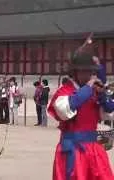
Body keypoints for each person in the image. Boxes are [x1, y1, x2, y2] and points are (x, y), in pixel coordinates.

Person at [47, 49, 114, 180]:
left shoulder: (95, 91)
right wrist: (88, 88)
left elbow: (109, 109)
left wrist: (102, 95)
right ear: (75, 72)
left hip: (94, 150)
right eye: (84, 71)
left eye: (90, 71)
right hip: (72, 150)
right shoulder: (65, 91)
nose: (88, 75)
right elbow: (65, 110)